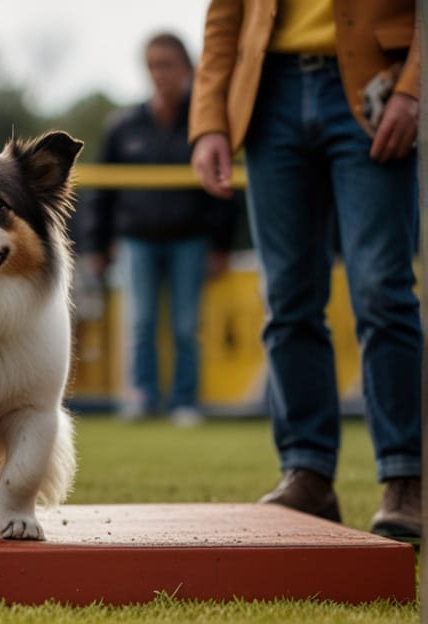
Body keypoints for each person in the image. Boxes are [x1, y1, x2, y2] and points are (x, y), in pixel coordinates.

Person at [190, 1, 421, 541]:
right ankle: (308, 472)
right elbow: (225, 13)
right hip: (270, 92)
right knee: (288, 297)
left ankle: (407, 476)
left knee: (381, 289)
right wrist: (208, 120)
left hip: (378, 80)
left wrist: (415, 87)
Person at [83, 32, 236, 427]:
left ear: (186, 69)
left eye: (167, 64)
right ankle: (143, 399)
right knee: (141, 324)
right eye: (153, 65)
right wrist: (96, 246)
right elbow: (103, 192)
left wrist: (221, 245)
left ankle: (185, 402)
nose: (160, 73)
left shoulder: (205, 124)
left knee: (187, 326)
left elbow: (225, 189)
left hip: (191, 238)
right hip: (136, 240)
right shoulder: (123, 125)